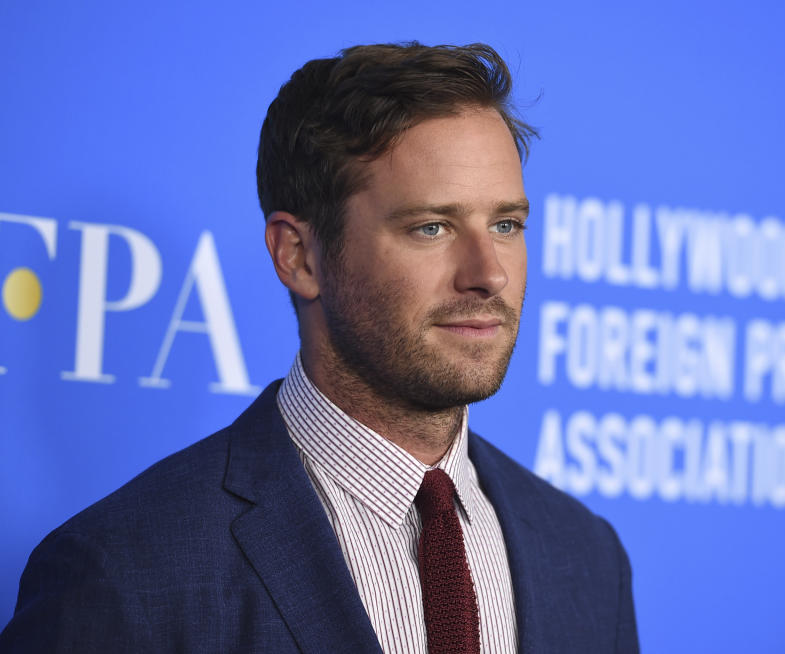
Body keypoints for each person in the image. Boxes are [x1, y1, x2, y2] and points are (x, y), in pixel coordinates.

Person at [0, 43, 640, 653]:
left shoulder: (585, 557)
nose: (489, 273)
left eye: (506, 224)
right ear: (298, 255)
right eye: (431, 227)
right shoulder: (125, 572)